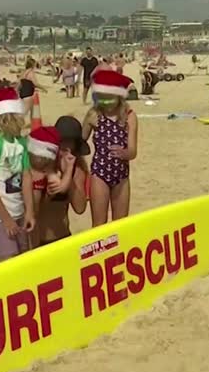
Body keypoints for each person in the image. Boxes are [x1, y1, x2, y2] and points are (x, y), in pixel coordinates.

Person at [0, 88, 36, 259]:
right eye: (20, 117)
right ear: (9, 118)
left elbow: (27, 177)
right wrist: (6, 219)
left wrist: (30, 212)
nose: (23, 121)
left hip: (18, 210)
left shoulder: (21, 142)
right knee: (8, 258)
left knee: (23, 255)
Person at [83, 70, 138, 226]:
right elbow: (81, 140)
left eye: (109, 99)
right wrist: (87, 123)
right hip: (100, 172)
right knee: (99, 225)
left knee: (120, 225)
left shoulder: (129, 116)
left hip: (121, 175)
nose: (105, 103)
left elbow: (133, 152)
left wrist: (125, 153)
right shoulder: (94, 113)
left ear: (119, 97)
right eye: (102, 99)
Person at [27, 124, 88, 247]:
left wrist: (68, 176)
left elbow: (80, 208)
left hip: (63, 238)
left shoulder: (76, 169)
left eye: (70, 144)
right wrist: (48, 193)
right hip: (38, 241)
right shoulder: (40, 166)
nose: (66, 149)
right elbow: (33, 212)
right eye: (63, 143)